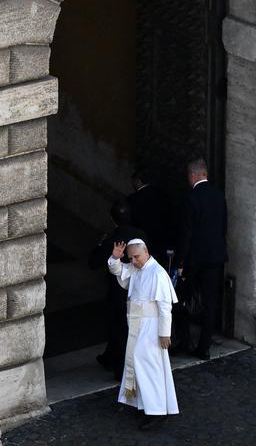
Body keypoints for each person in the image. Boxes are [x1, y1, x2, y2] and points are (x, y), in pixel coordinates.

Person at [108, 237, 179, 427]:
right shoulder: (136, 268)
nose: (133, 261)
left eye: (136, 257)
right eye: (130, 258)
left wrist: (165, 333)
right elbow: (120, 273)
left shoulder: (157, 273)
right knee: (138, 363)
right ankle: (145, 406)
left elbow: (165, 306)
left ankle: (157, 411)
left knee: (149, 366)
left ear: (146, 252)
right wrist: (115, 259)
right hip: (137, 324)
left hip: (151, 326)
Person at [176, 157, 228, 360]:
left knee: (183, 298)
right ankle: (204, 346)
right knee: (210, 301)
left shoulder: (191, 198)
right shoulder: (219, 196)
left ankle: (185, 340)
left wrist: (180, 261)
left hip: (195, 259)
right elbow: (223, 227)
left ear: (192, 175)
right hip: (215, 257)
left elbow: (186, 234)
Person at [88, 201, 147, 381]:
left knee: (120, 330)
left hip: (120, 293)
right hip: (140, 290)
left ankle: (121, 370)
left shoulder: (112, 239)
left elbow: (93, 263)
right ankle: (111, 359)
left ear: (112, 219)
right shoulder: (141, 235)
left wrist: (101, 244)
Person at [127, 168, 171, 264]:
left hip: (141, 242)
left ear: (138, 181)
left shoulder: (133, 199)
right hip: (159, 241)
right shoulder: (161, 195)